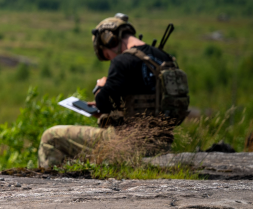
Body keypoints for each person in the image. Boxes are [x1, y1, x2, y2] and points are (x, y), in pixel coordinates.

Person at [38, 14, 190, 168]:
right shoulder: (165, 59)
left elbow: (103, 102)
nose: (111, 59)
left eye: (107, 55)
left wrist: (101, 87)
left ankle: (54, 188)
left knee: (51, 137)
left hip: (128, 146)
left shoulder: (123, 61)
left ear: (109, 39)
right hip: (162, 145)